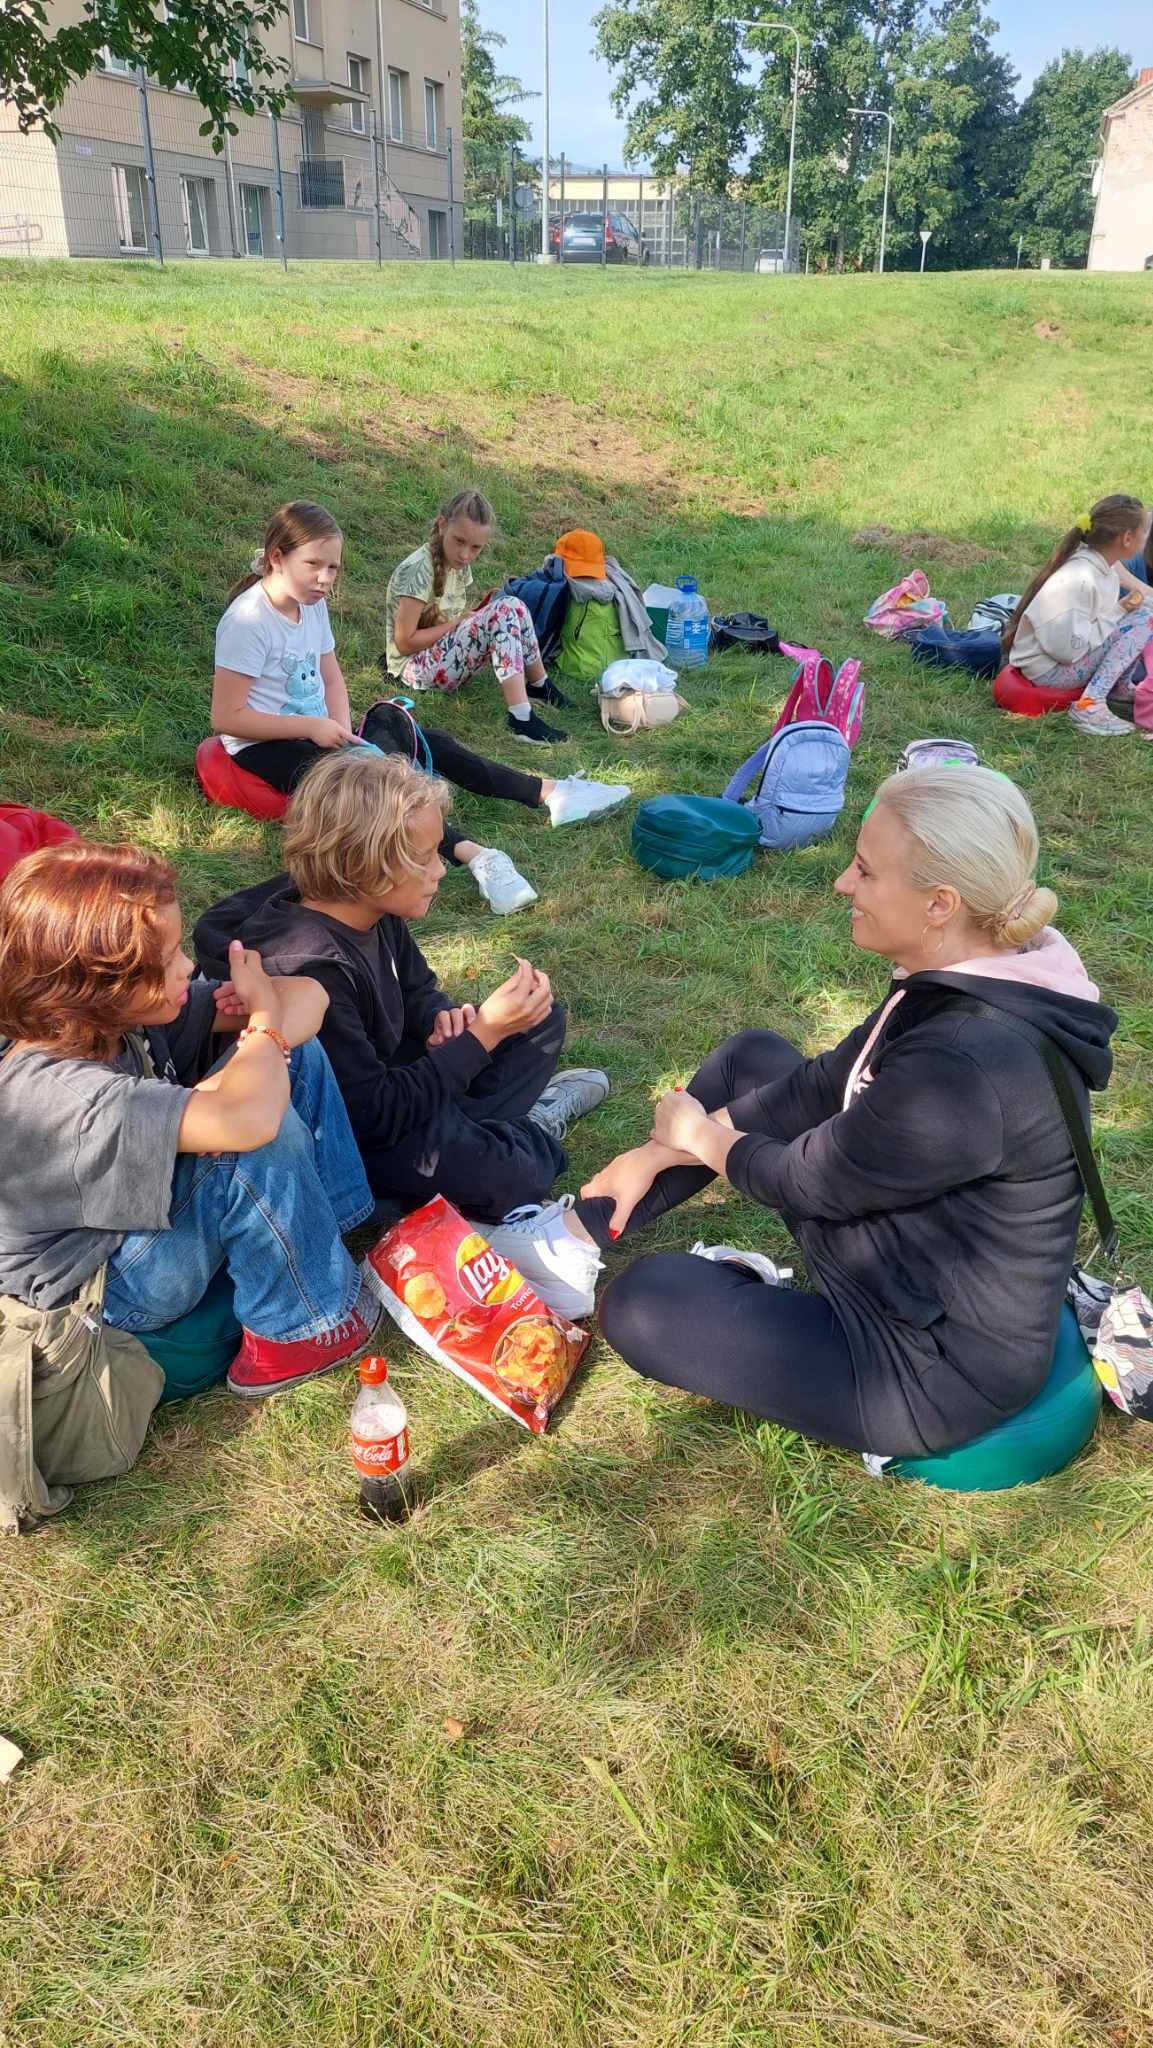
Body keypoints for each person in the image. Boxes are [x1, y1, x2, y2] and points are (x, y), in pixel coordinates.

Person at [481, 767, 1118, 1461]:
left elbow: (807, 1182)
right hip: (909, 1254)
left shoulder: (965, 1062)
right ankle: (566, 1244)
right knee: (752, 1059)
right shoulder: (974, 967)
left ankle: (718, 1281)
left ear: (940, 904)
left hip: (927, 1365)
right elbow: (822, 1085)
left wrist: (697, 1134)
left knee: (644, 1302)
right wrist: (659, 1151)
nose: (843, 883)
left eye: (865, 871)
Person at [0, 841, 389, 1403]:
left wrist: (260, 1030)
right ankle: (299, 1331)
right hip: (104, 1289)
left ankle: (330, 1233)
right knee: (250, 1134)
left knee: (287, 1058)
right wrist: (261, 1024)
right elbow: (249, 1122)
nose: (187, 967)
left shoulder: (116, 1022)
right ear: (96, 985)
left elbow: (310, 995)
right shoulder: (63, 1097)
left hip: (131, 1231)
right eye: (166, 959)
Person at [194, 749, 611, 1225]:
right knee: (510, 1175)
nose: (441, 870)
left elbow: (416, 986)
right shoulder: (309, 969)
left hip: (397, 1077)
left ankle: (480, 1130)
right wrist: (482, 1037)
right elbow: (373, 1117)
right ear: (363, 865)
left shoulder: (367, 904)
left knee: (540, 1018)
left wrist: (438, 1016)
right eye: (425, 858)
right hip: (361, 1133)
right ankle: (530, 1129)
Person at [211, 500, 630, 918]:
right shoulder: (249, 620)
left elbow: (332, 677)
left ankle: (551, 793)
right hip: (262, 745)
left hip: (318, 731)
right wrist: (314, 730)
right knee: (380, 789)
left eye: (333, 567)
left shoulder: (311, 603)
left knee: (430, 741)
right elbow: (226, 717)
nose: (325, 578)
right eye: (313, 565)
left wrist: (341, 734)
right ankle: (478, 857)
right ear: (277, 558)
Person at [384, 489, 569, 747]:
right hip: (413, 670)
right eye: (459, 541)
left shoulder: (457, 565)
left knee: (513, 604)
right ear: (442, 525)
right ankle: (521, 718)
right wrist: (458, 624)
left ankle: (539, 684)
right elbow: (404, 643)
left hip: (437, 656)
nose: (465, 555)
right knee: (502, 611)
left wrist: (469, 620)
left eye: (475, 548)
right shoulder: (417, 570)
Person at [1002, 494, 1152, 737]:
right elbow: (1067, 651)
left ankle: (1119, 687)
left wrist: (1121, 610)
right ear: (1127, 538)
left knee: (1142, 615)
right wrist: (1117, 614)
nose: (1145, 538)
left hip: (1062, 658)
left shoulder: (1102, 568)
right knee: (1144, 620)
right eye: (1144, 532)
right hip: (1049, 670)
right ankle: (1089, 706)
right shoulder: (1082, 579)